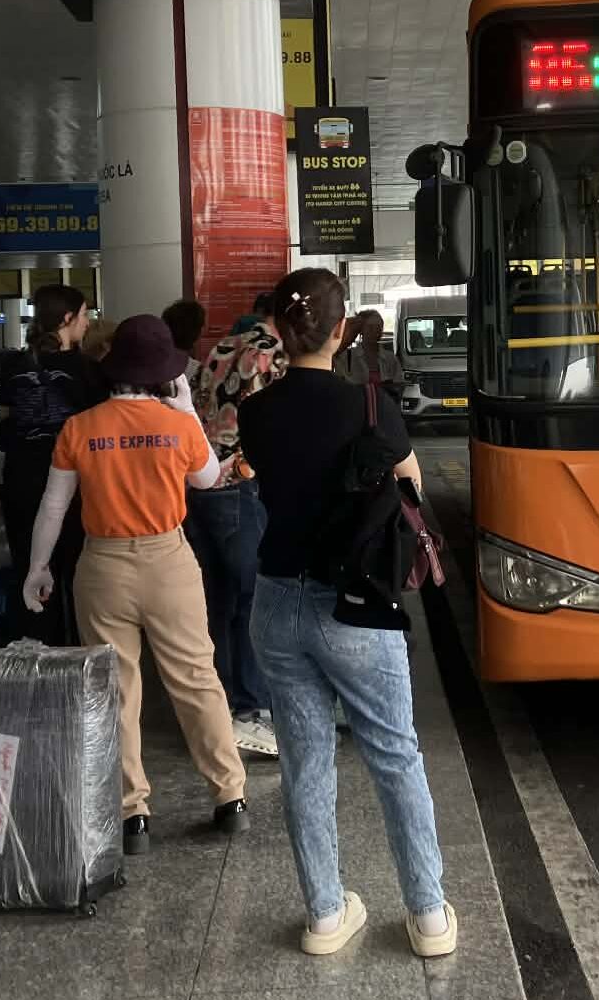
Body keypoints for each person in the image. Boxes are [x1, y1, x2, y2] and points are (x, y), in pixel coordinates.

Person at [239, 269, 456, 959]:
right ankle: (427, 917)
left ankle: (327, 916)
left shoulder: (256, 410)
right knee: (394, 753)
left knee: (306, 761)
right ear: (340, 331)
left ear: (275, 328)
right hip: (356, 603)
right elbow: (411, 485)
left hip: (276, 600)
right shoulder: (372, 405)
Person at [23, 315, 248, 855]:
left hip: (101, 568)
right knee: (196, 678)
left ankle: (133, 815)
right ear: (164, 374)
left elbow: (54, 507)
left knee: (115, 690)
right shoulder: (178, 427)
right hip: (169, 560)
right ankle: (229, 797)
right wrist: (189, 410)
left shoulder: (80, 427)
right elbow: (211, 480)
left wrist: (38, 568)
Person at [188, 296, 289, 757]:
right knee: (253, 602)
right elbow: (279, 422)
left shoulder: (221, 346)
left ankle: (223, 706)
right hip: (242, 484)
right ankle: (252, 712)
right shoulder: (271, 350)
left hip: (202, 484)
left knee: (219, 604)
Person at [0, 283, 102, 644]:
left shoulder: (14, 366)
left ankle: (40, 657)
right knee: (75, 571)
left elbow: (9, 413)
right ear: (68, 318)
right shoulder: (85, 370)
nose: (87, 323)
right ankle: (76, 660)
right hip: (70, 484)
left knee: (30, 569)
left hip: (20, 480)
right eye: (85, 315)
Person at [336, 309, 402, 395]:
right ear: (361, 330)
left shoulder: (390, 359)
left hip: (383, 407)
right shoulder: (347, 357)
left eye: (378, 327)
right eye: (370, 327)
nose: (375, 331)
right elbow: (339, 389)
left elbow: (399, 386)